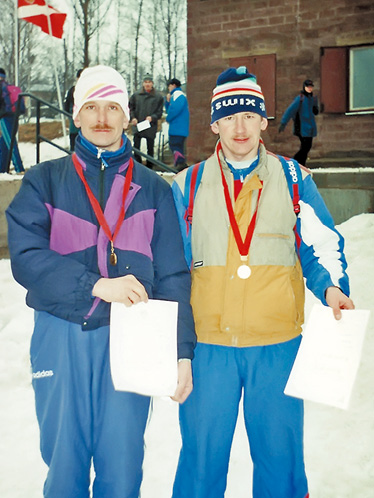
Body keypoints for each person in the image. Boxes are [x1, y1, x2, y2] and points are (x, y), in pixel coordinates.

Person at [6, 65, 196, 498]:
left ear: (127, 115)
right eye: (91, 107)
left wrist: (181, 351)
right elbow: (27, 258)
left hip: (134, 339)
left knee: (123, 466)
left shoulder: (154, 188)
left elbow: (172, 276)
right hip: (62, 334)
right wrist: (95, 284)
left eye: (112, 106)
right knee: (64, 466)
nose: (102, 118)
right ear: (75, 115)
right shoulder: (44, 181)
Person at [171, 66, 354, 498]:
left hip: (277, 346)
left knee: (281, 460)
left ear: (263, 122)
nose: (240, 127)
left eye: (250, 116)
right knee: (201, 460)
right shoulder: (187, 184)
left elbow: (320, 246)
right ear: (215, 123)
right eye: (230, 117)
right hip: (208, 347)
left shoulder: (294, 180)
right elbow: (172, 271)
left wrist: (333, 287)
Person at [278, 78, 319, 166]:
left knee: (306, 147)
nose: (309, 89)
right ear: (304, 87)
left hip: (310, 128)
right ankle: (294, 163)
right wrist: (283, 123)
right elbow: (290, 110)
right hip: (302, 128)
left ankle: (300, 165)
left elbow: (314, 112)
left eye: (311, 87)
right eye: (308, 87)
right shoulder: (300, 98)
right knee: (305, 147)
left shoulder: (312, 98)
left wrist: (316, 108)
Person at [129, 74, 164, 168]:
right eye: (146, 82)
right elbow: (130, 108)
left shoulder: (158, 97)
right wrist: (133, 118)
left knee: (150, 148)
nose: (147, 84)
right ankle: (137, 165)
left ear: (152, 83)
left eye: (149, 82)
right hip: (138, 125)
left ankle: (150, 167)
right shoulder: (136, 95)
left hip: (150, 126)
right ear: (143, 83)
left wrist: (152, 117)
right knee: (136, 147)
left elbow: (159, 112)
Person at [0, 67, 25, 174]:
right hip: (14, 116)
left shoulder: (1, 87)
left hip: (4, 117)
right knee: (4, 144)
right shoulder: (12, 88)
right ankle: (2, 169)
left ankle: (19, 168)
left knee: (10, 143)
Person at [165, 78, 189, 171]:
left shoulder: (178, 95)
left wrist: (168, 118)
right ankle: (179, 164)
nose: (168, 88)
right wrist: (167, 102)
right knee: (178, 146)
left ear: (173, 85)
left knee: (174, 145)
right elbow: (169, 109)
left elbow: (174, 110)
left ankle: (180, 163)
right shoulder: (176, 96)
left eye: (169, 86)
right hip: (179, 128)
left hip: (177, 128)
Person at [64, 68, 83, 151]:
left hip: (81, 119)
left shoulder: (89, 91)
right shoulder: (73, 90)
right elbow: (67, 104)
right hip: (75, 117)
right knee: (74, 137)